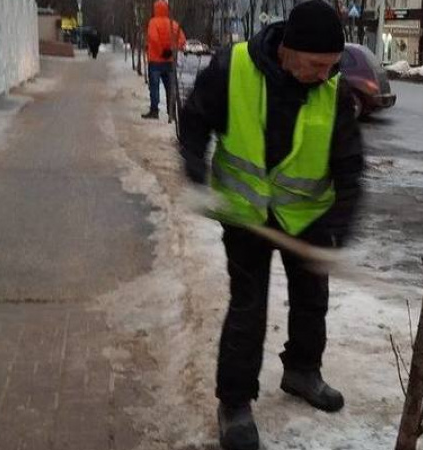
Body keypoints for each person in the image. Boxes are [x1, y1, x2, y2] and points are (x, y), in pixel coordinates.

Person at [178, 1, 364, 449]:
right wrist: (193, 166)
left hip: (307, 214)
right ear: (289, 49)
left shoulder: (333, 91)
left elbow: (349, 164)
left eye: (332, 66)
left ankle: (302, 371)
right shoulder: (234, 68)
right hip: (246, 215)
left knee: (311, 301)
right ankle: (235, 403)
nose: (326, 74)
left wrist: (341, 225)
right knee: (248, 307)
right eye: (318, 64)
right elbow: (196, 118)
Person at [141, 0, 186, 121]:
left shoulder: (153, 22)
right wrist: (171, 50)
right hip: (169, 61)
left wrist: (161, 51)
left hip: (155, 60)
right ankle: (171, 112)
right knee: (170, 88)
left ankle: (154, 111)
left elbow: (153, 38)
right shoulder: (173, 24)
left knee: (154, 87)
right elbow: (182, 40)